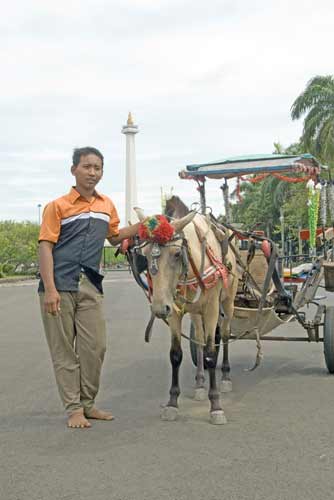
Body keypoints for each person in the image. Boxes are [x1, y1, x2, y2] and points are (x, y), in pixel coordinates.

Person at [38, 146, 140, 429]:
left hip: (90, 285)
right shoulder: (57, 206)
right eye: (87, 166)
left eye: (97, 168)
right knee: (64, 352)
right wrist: (49, 289)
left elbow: (116, 237)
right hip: (59, 284)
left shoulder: (106, 205)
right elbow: (45, 246)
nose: (92, 172)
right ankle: (74, 409)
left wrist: (146, 226)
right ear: (74, 170)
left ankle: (88, 403)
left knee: (95, 347)